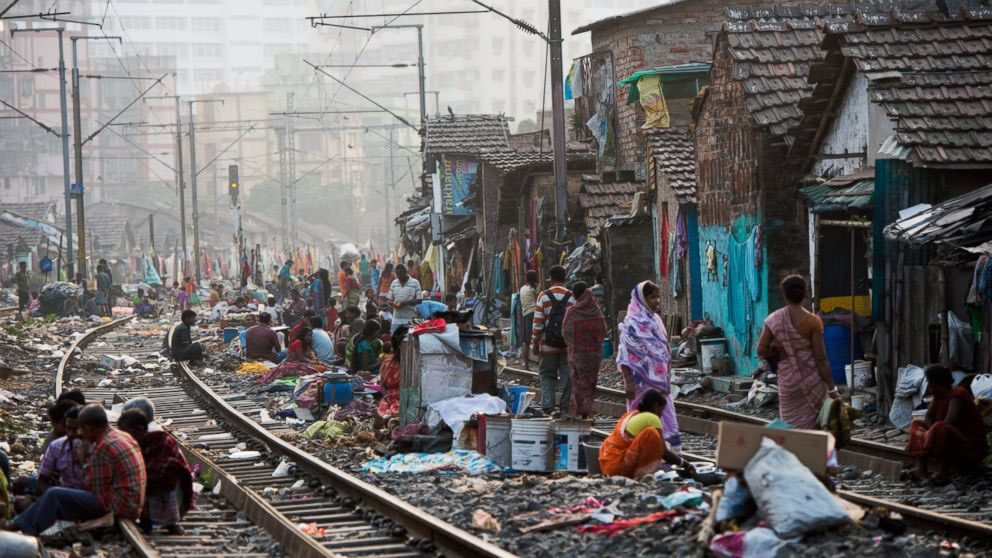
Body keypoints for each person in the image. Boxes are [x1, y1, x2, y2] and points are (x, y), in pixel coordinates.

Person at [12, 404, 146, 535]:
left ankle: (18, 528)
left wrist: (82, 461)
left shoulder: (103, 447)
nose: (80, 433)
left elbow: (93, 490)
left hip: (120, 506)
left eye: (81, 428)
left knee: (55, 494)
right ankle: (23, 525)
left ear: (90, 428)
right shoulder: (121, 436)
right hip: (132, 503)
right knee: (53, 499)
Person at [757, 275, 839, 430]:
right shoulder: (813, 321)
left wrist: (780, 353)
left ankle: (795, 450)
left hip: (789, 382)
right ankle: (812, 451)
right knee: (816, 425)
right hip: (813, 381)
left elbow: (761, 349)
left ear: (784, 294)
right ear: (805, 293)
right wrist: (832, 389)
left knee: (791, 425)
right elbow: (821, 359)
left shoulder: (773, 319)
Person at [617, 281, 682, 454]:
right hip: (639, 385)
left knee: (667, 418)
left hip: (660, 384)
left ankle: (671, 455)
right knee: (640, 420)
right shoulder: (631, 324)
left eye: (658, 296)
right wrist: (628, 382)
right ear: (642, 298)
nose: (657, 301)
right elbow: (624, 356)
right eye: (652, 297)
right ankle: (641, 455)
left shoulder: (655, 320)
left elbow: (662, 350)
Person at [907, 365, 988, 484]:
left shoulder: (957, 394)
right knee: (917, 424)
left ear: (936, 383)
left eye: (929, 382)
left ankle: (943, 473)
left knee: (942, 427)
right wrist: (929, 432)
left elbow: (950, 421)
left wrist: (930, 434)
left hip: (971, 446)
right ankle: (921, 470)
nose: (928, 386)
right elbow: (928, 416)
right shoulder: (938, 396)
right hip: (950, 439)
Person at [117, 409, 193, 535]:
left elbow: (167, 470)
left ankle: (170, 523)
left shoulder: (160, 441)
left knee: (151, 484)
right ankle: (145, 519)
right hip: (147, 484)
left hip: (168, 487)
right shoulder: (135, 442)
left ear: (139, 430)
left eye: (127, 433)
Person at [599, 389, 691, 478]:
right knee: (652, 435)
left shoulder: (632, 415)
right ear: (655, 406)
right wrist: (685, 464)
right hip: (619, 469)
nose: (661, 414)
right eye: (662, 410)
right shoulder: (653, 418)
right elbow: (664, 452)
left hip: (607, 465)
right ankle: (640, 475)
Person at [531, 265, 575, 414]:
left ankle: (548, 406)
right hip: (566, 346)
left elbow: (537, 324)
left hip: (547, 345)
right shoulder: (572, 296)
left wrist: (535, 343)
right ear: (565, 278)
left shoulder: (543, 296)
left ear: (550, 279)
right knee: (567, 377)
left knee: (547, 375)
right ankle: (565, 407)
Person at [562, 282, 607, 418]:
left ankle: (579, 412)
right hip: (594, 355)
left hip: (577, 355)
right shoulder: (596, 309)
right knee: (590, 383)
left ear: (576, 295)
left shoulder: (572, 311)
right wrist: (594, 342)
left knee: (578, 384)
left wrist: (574, 345)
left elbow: (565, 331)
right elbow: (602, 329)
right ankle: (587, 410)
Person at [37, 404, 86, 494]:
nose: (71, 434)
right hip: (63, 494)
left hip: (88, 497)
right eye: (68, 428)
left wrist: (81, 461)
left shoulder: (97, 448)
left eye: (76, 429)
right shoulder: (56, 446)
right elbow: (42, 480)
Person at [376, 326, 406, 421]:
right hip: (390, 398)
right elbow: (382, 383)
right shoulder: (388, 362)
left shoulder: (415, 363)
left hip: (405, 398)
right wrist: (386, 396)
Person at [389, 264, 421, 334]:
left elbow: (419, 300)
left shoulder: (415, 282)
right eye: (397, 274)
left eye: (400, 274)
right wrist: (393, 304)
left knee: (411, 338)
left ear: (405, 272)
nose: (399, 276)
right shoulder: (394, 283)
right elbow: (389, 300)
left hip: (410, 317)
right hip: (397, 317)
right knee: (395, 338)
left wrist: (405, 303)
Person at [519, 270, 539, 371]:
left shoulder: (522, 289)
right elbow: (539, 301)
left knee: (526, 341)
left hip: (525, 315)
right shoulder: (535, 288)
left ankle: (526, 365)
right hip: (535, 313)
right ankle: (541, 363)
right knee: (538, 337)